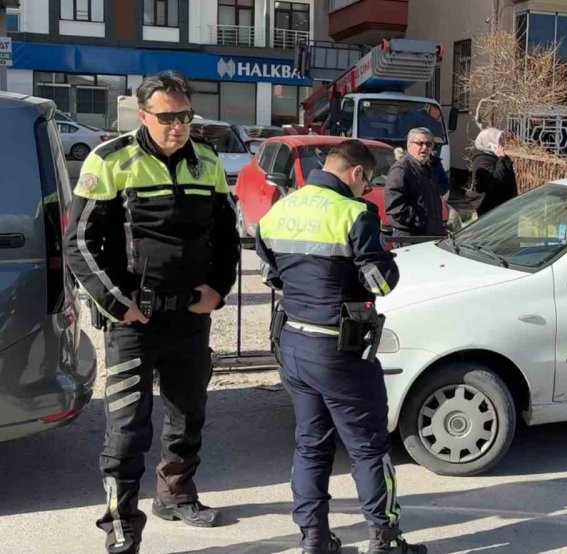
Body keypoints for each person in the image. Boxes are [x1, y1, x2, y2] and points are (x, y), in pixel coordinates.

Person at [63, 70, 240, 554]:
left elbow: (227, 236)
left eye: (184, 116)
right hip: (132, 324)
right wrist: (119, 304)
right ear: (144, 115)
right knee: (126, 431)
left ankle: (176, 494)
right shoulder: (111, 159)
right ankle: (121, 525)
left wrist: (219, 290)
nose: (177, 126)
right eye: (166, 117)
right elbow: (79, 243)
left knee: (188, 416)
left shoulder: (206, 159)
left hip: (190, 320)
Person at [256, 140, 426, 554]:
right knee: (368, 447)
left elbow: (271, 274)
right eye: (366, 183)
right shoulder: (354, 214)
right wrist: (385, 259)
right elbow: (380, 283)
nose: (366, 190)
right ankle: (385, 541)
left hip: (293, 343)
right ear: (356, 173)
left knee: (311, 445)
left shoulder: (280, 210)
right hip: (339, 349)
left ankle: (314, 539)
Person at [384, 127, 445, 237]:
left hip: (430, 235)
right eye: (420, 143)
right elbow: (395, 207)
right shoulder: (401, 169)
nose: (424, 148)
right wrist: (420, 221)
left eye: (429, 144)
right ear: (409, 145)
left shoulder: (427, 167)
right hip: (411, 237)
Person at [468, 127, 518, 217]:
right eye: (498, 142)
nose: (501, 145)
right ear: (489, 144)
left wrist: (503, 159)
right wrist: (502, 159)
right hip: (493, 212)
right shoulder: (481, 160)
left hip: (506, 210)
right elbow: (496, 181)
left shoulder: (499, 158)